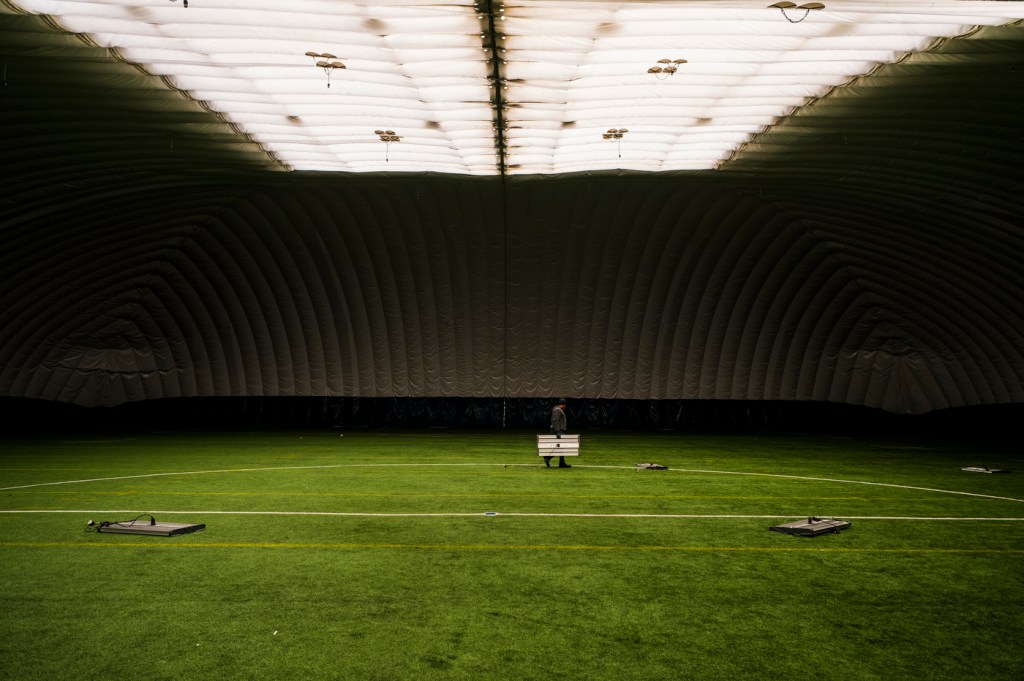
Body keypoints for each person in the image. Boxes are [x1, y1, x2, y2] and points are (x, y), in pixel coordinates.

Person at [546, 399, 571, 468]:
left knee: (561, 446)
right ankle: (548, 458)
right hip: (559, 431)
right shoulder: (558, 410)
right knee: (560, 446)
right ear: (563, 404)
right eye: (565, 405)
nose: (566, 407)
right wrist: (557, 431)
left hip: (559, 430)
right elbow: (555, 420)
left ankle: (561, 462)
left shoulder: (557, 409)